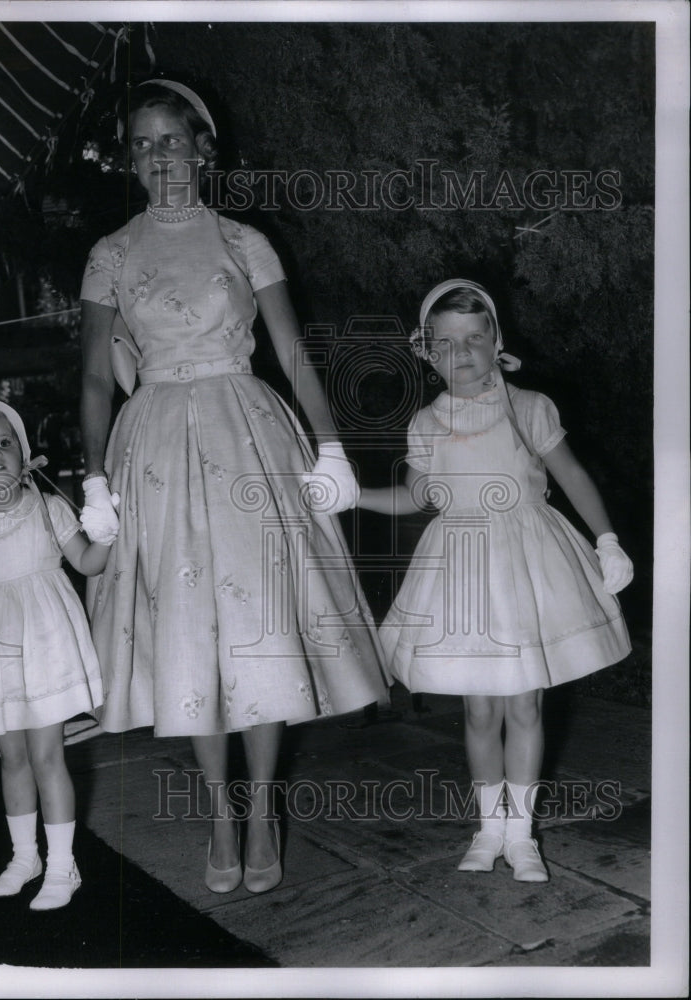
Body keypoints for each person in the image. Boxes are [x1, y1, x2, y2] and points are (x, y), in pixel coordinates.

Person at [78, 79, 389, 894]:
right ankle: (221, 811)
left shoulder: (245, 242)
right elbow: (92, 383)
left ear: (202, 147)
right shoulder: (110, 253)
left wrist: (331, 451)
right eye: (140, 144)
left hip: (247, 436)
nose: (156, 157)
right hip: (154, 451)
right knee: (189, 635)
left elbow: (291, 353)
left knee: (259, 626)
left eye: (169, 140)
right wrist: (92, 480)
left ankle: (260, 812)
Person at [358, 279, 633, 882]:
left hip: (526, 563)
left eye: (475, 339)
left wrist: (606, 538)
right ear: (427, 353)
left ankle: (522, 837)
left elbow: (573, 473)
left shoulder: (529, 407)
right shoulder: (427, 422)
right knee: (480, 711)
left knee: (525, 703)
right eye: (448, 343)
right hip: (461, 568)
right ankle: (489, 829)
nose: (463, 353)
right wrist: (354, 494)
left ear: (496, 342)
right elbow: (418, 496)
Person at [0, 398, 110, 910]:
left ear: (23, 453)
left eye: (4, 444)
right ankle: (24, 855)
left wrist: (107, 534)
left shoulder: (48, 507)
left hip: (45, 646)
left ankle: (62, 865)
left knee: (46, 754)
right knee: (11, 758)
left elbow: (88, 562)